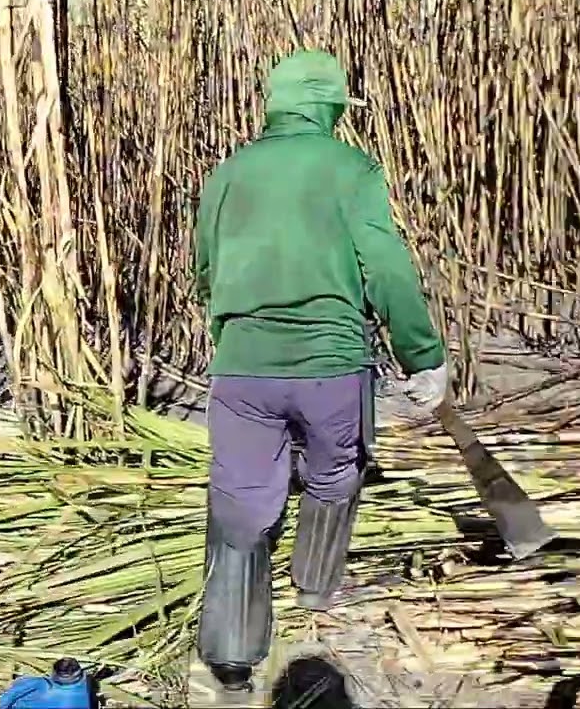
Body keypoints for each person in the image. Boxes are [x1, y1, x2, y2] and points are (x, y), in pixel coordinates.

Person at [188, 49, 448, 700]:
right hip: (331, 367)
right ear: (329, 106)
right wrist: (423, 355)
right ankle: (315, 591)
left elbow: (204, 272)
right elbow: (385, 264)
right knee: (335, 476)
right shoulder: (349, 167)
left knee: (242, 506)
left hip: (243, 369)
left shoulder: (227, 173)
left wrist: (233, 339)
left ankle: (230, 656)